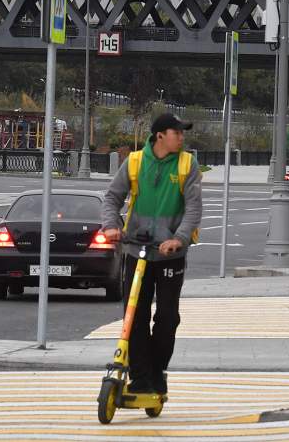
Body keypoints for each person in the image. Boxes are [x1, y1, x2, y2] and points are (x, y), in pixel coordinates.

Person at [101, 113, 202, 396]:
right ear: (160, 136)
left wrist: (178, 239)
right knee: (134, 316)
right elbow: (112, 198)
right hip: (137, 250)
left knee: (167, 318)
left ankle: (157, 373)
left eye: (182, 133)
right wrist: (111, 226)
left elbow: (193, 208)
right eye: (177, 133)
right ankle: (140, 378)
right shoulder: (135, 162)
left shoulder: (187, 164)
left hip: (170, 254)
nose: (181, 138)